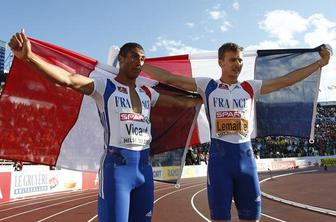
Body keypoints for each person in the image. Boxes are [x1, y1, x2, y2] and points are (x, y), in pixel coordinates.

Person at [8, 31, 202, 222]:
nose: (139, 62)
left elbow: (181, 103)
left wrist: (206, 95)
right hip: (117, 170)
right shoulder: (104, 86)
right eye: (134, 57)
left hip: (144, 170)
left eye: (143, 59)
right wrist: (29, 57)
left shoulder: (147, 93)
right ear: (121, 59)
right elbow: (68, 79)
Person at [142, 42, 330, 222]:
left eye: (240, 60)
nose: (237, 64)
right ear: (220, 62)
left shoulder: (249, 87)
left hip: (246, 161)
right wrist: (141, 64)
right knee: (220, 218)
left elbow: (286, 80)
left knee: (251, 218)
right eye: (232, 60)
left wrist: (319, 63)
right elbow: (170, 79)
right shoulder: (207, 86)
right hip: (220, 163)